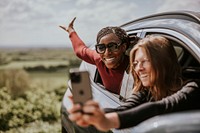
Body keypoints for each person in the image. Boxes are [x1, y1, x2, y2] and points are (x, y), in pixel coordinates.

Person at [67, 35, 200, 132]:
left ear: (163, 62)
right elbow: (125, 108)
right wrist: (95, 114)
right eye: (135, 64)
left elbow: (159, 107)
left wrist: (108, 121)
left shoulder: (193, 88)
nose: (138, 69)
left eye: (144, 61)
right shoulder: (147, 92)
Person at [59, 17, 131, 95]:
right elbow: (80, 50)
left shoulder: (137, 64)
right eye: (101, 47)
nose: (107, 53)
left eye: (113, 46)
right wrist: (71, 31)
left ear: (123, 47)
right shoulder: (99, 59)